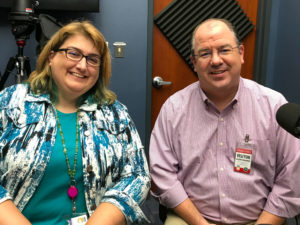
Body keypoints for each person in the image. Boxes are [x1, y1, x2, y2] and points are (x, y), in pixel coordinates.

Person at [149, 18, 300, 225]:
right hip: (192, 219)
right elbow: (162, 174)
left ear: (241, 53)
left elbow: (291, 177)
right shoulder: (173, 109)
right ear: (194, 63)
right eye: (205, 53)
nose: (216, 60)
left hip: (259, 219)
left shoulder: (274, 106)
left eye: (224, 50)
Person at [0, 21, 150, 225]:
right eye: (73, 53)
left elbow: (138, 175)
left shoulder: (115, 113)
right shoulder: (10, 102)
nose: (82, 65)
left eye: (92, 59)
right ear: (51, 57)